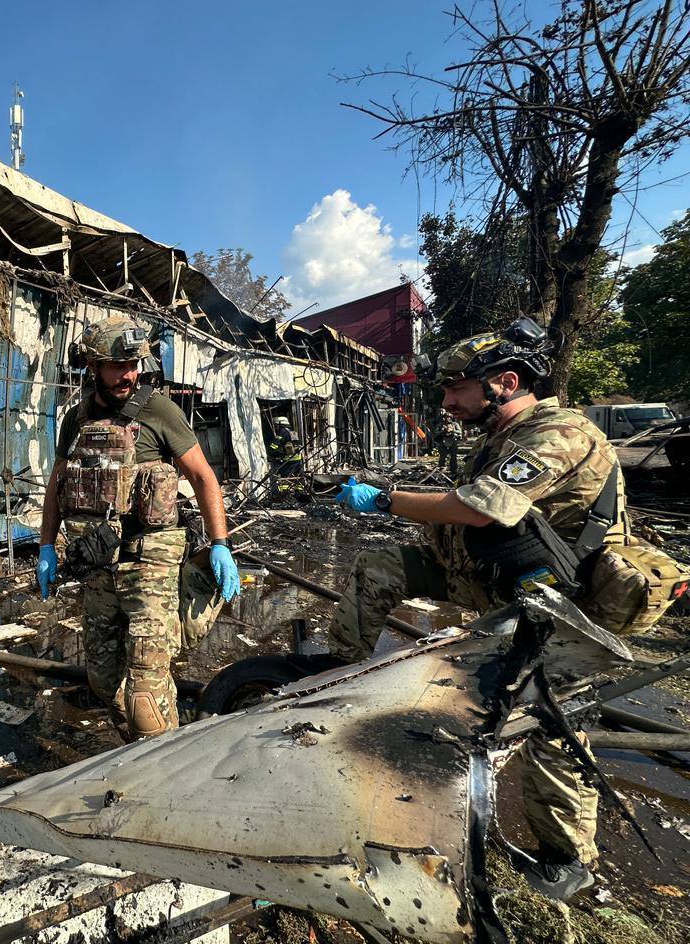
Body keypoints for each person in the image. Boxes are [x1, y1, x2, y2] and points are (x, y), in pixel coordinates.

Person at [329, 318, 686, 901]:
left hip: (561, 602)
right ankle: (329, 678)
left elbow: (480, 510)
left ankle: (568, 859)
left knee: (554, 723)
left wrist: (386, 499)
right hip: (493, 581)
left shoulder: (561, 434)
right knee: (381, 568)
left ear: (505, 381)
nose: (447, 401)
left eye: (456, 390)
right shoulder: (500, 437)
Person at [38, 316, 241, 741]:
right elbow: (58, 482)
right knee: (103, 680)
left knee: (146, 695)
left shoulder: (158, 410)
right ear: (92, 367)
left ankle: (165, 778)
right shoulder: (75, 419)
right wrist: (45, 547)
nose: (128, 374)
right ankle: (133, 755)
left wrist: (220, 542)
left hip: (150, 563)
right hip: (97, 567)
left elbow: (204, 477)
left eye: (133, 364)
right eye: (117, 366)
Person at [434, 412, 463, 478]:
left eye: (449, 417)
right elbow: (435, 433)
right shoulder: (440, 425)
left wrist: (453, 430)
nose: (448, 419)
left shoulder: (455, 424)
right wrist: (443, 431)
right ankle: (440, 472)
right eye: (446, 417)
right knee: (442, 457)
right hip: (443, 441)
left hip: (453, 441)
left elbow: (460, 432)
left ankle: (454, 471)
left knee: (453, 457)